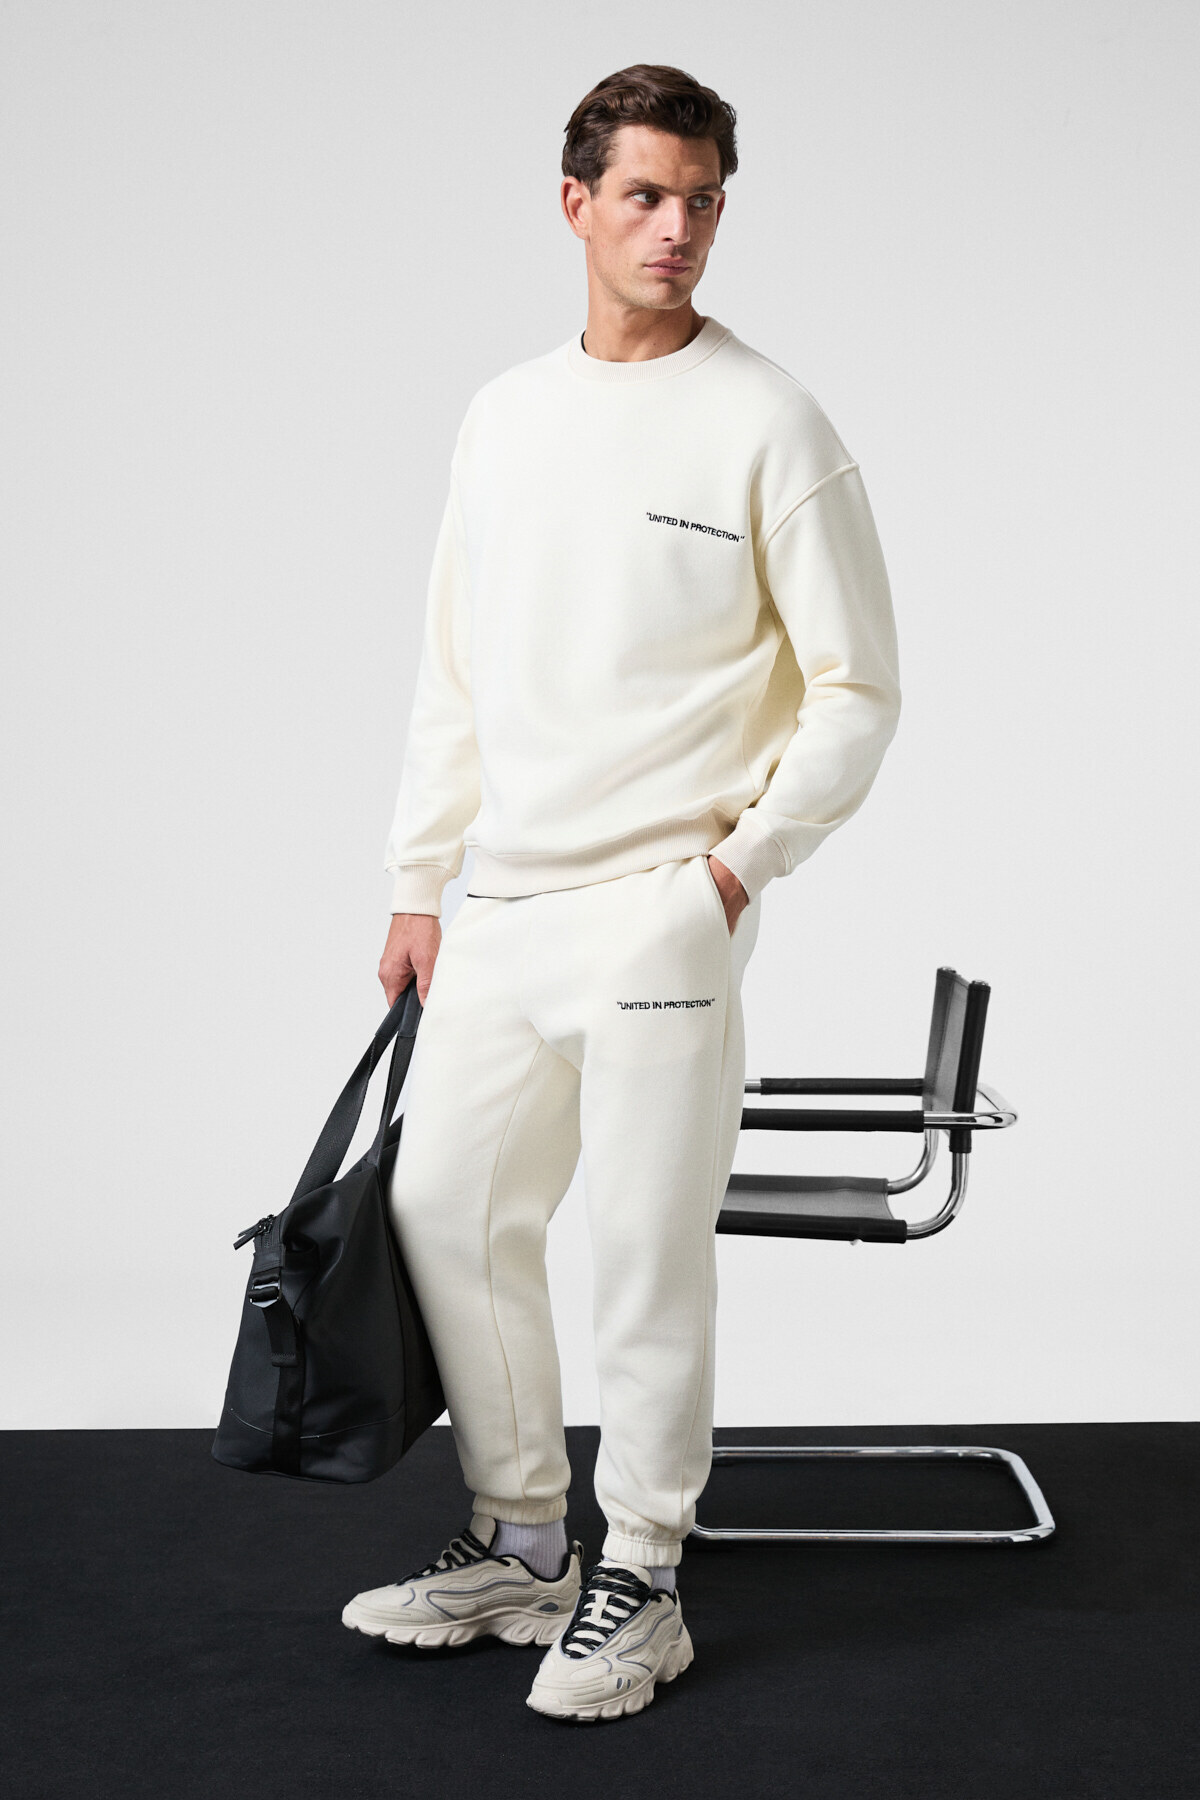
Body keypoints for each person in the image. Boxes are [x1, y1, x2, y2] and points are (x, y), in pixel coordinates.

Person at [342, 62, 901, 1724]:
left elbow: (858, 690)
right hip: (504, 908)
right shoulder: (504, 416)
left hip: (664, 906)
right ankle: (526, 1541)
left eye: (704, 199)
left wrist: (735, 870)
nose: (679, 229)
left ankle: (643, 1575)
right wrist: (420, 877)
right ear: (575, 203)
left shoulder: (771, 421)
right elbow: (456, 666)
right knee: (448, 1212)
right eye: (647, 195)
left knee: (646, 1248)